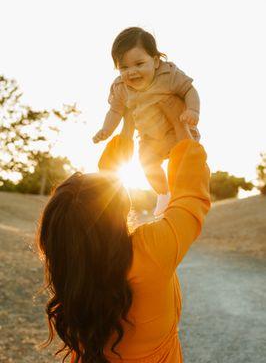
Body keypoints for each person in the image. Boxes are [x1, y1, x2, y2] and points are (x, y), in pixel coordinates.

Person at [37, 119, 210, 363]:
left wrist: (129, 124)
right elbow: (191, 195)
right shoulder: (151, 250)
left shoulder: (71, 262)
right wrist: (180, 126)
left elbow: (98, 199)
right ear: (122, 205)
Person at [92, 27, 201, 216]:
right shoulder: (121, 87)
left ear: (156, 61)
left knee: (184, 163)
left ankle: (183, 195)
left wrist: (192, 110)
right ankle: (164, 194)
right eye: (124, 67)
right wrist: (106, 129)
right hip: (150, 139)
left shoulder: (168, 75)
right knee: (147, 164)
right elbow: (115, 110)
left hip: (176, 132)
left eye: (139, 64)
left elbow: (189, 90)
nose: (132, 72)